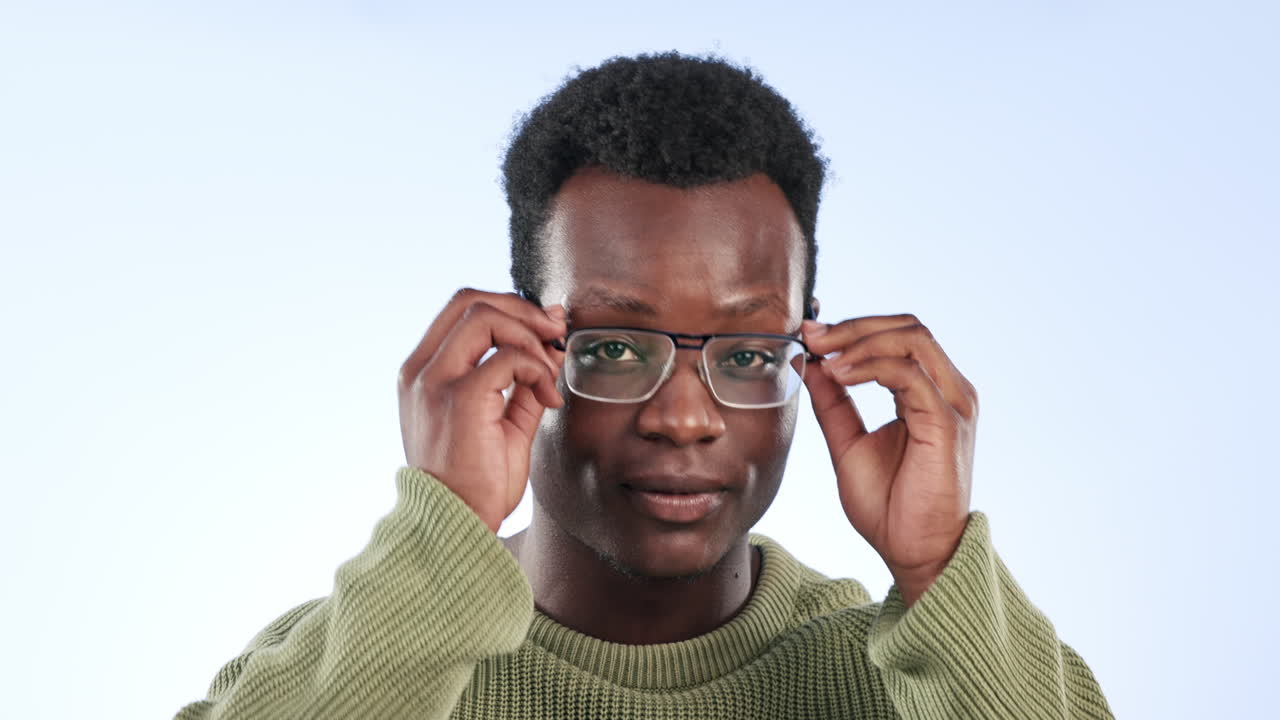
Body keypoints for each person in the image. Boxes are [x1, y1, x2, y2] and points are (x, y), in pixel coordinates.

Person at [174, 52, 1113, 719]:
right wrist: (441, 536)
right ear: (519, 338)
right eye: (616, 347)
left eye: (747, 355)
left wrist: (939, 569)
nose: (684, 418)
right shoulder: (361, 656)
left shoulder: (915, 681)